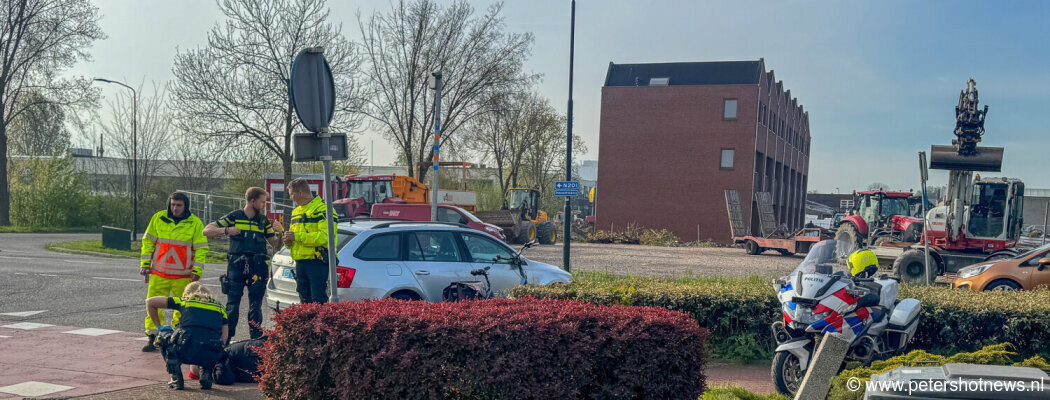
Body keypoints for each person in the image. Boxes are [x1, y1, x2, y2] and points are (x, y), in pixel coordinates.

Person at [203, 187, 282, 341]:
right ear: (252, 201)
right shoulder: (234, 217)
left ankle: (256, 341)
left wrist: (279, 234)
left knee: (255, 307)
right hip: (236, 266)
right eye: (262, 202)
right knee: (232, 306)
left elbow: (275, 245)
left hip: (257, 266)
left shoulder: (263, 221)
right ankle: (226, 340)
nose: (264, 206)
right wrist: (227, 230)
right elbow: (206, 231)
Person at [140, 192, 209, 351]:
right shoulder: (158, 218)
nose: (175, 208)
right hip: (159, 273)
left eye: (178, 205)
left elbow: (201, 249)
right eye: (172, 205)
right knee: (152, 304)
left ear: (185, 206)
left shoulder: (195, 223)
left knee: (182, 308)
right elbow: (147, 242)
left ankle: (178, 336)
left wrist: (197, 270)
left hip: (183, 275)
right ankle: (153, 336)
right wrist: (145, 264)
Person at [146, 282, 229, 390]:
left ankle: (176, 378)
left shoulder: (185, 301)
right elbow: (224, 338)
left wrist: (159, 327)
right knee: (212, 343)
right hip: (210, 354)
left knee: (163, 337)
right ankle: (206, 374)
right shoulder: (220, 308)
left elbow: (150, 302)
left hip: (185, 350)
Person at [285, 178, 331, 304]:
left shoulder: (323, 209)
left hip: (317, 261)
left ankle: (318, 324)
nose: (290, 197)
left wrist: (297, 237)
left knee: (318, 301)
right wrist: (288, 242)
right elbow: (294, 238)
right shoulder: (296, 212)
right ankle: (307, 324)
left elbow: (325, 237)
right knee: (304, 301)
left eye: (291, 194)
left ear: (299, 193)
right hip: (300, 262)